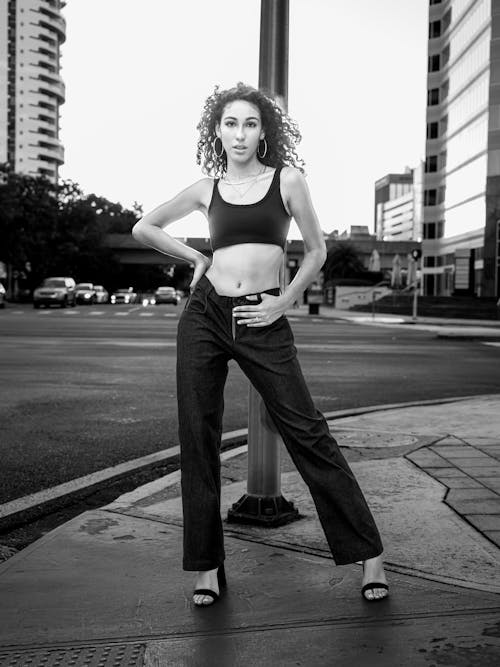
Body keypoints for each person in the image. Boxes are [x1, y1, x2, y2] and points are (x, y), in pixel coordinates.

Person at [132, 82, 388, 607]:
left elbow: (315, 252)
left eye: (250, 123)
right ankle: (206, 566)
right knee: (197, 436)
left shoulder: (286, 180)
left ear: (264, 130)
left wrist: (283, 302)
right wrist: (196, 259)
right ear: (217, 132)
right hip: (205, 315)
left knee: (306, 430)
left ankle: (370, 553)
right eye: (230, 124)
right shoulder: (208, 189)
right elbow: (144, 227)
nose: (240, 133)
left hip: (263, 315)